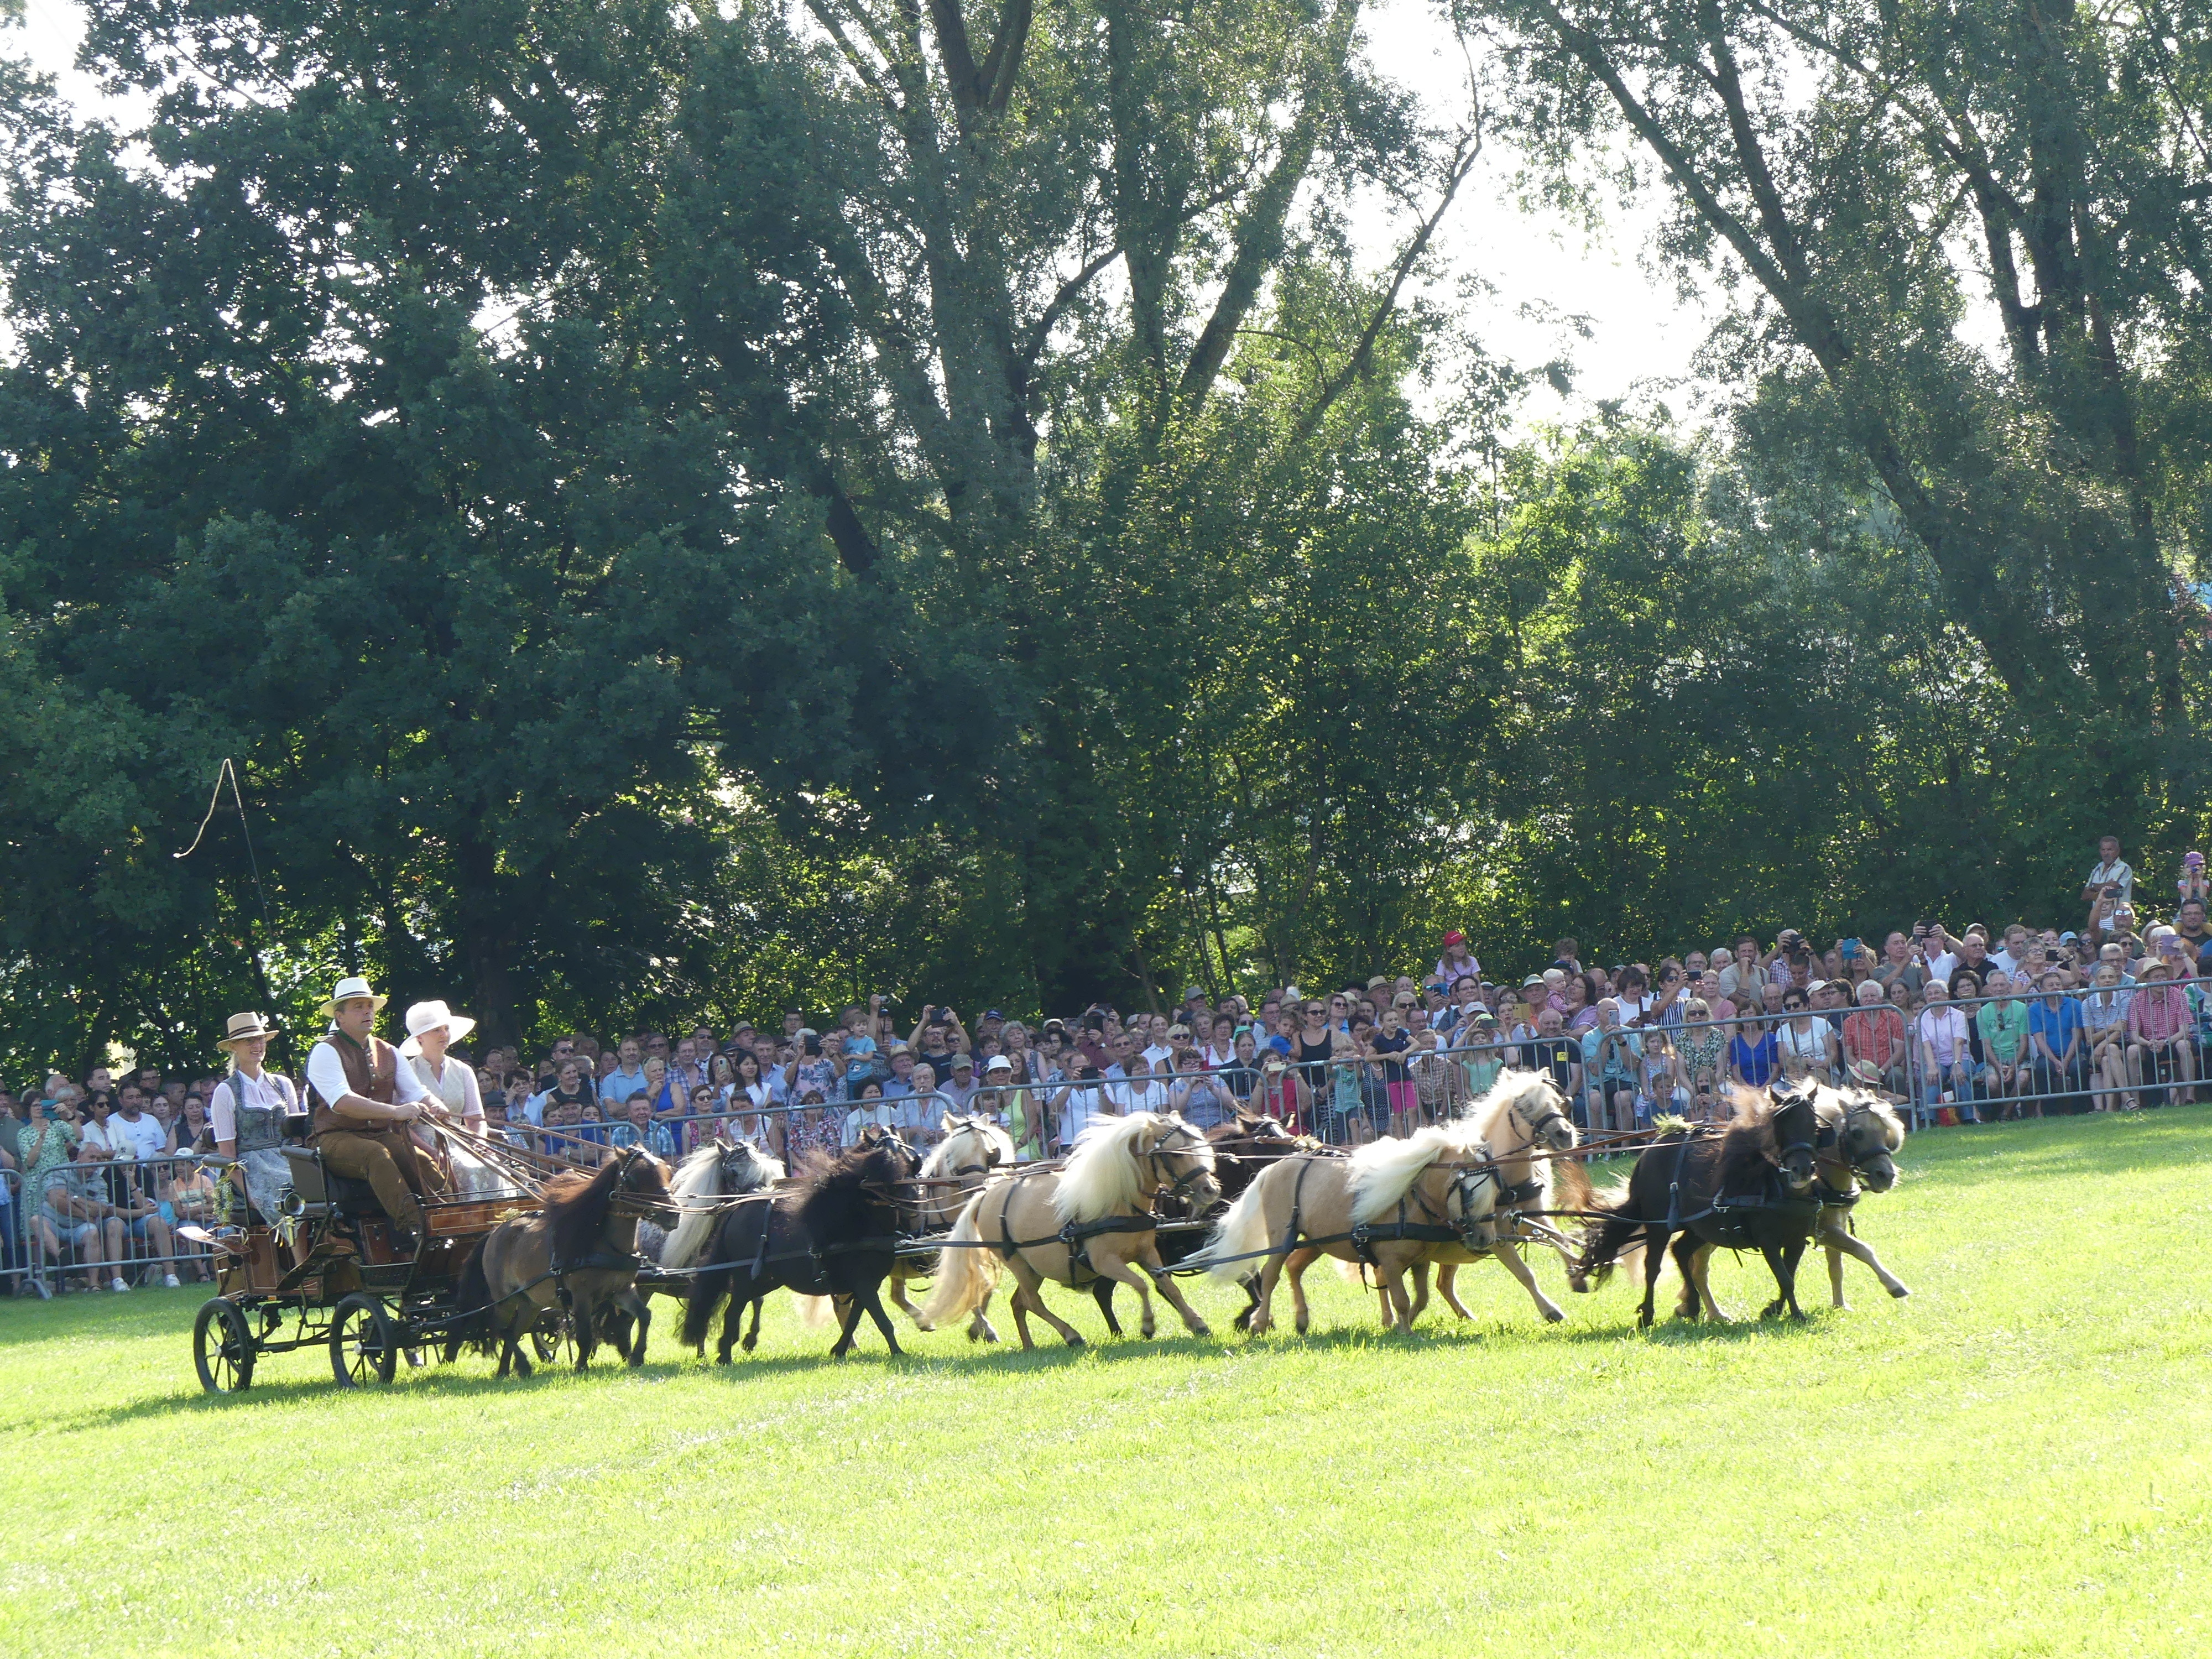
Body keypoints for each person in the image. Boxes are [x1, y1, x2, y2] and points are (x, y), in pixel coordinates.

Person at [303, 975, 442, 1247]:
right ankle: (417, 1230)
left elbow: (415, 1093)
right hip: (334, 1138)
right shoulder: (325, 1051)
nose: (367, 1011)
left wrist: (435, 1105)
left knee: (422, 1160)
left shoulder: (389, 1051)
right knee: (376, 1156)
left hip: (377, 1134)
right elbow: (342, 1101)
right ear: (339, 1016)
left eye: (369, 1006)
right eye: (358, 1007)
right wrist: (395, 1112)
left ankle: (453, 1220)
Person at [208, 1011, 306, 1224]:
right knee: (288, 1192)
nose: (257, 1046)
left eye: (260, 1039)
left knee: (322, 1186)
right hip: (252, 1169)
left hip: (288, 1160)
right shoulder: (226, 1092)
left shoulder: (283, 1084)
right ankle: (300, 1257)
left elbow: (298, 1135)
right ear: (234, 1046)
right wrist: (251, 1194)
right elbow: (227, 1157)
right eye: (249, 1041)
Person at [400, 1000, 484, 1130]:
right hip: (417, 1148)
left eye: (446, 1028)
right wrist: (429, 1151)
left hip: (460, 1145)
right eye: (436, 1030)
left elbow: (476, 1121)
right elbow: (399, 1125)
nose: (444, 1034)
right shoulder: (406, 1073)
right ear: (420, 1037)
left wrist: (478, 1145)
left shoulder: (464, 1071)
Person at [2127, 958, 2196, 1106]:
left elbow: (2185, 1030)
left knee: (2184, 1045)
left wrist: (2165, 1041)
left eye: (2164, 976)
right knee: (2132, 1050)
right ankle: (2135, 1102)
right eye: (2157, 977)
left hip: (2174, 1041)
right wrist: (2148, 1042)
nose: (2161, 980)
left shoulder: (2179, 995)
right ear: (2147, 980)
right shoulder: (2137, 1000)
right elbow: (2133, 1034)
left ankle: (2190, 1097)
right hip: (2148, 1044)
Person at [2084, 834, 2134, 904]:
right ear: (2100, 851)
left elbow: (2114, 891)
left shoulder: (2124, 868)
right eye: (2103, 850)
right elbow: (2085, 895)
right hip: (2097, 914)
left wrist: (2094, 887)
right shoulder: (2097, 869)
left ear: (2118, 851)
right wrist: (2107, 886)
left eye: (2110, 850)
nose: (2106, 853)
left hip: (2118, 914)